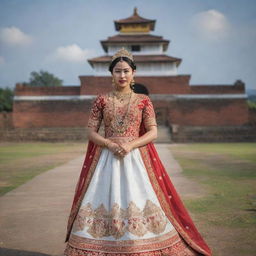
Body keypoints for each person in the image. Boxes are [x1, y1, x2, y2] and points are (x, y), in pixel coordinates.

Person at [63, 48, 212, 256]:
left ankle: (141, 246)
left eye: (126, 71)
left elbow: (153, 132)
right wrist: (109, 143)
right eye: (117, 71)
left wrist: (130, 145)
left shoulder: (143, 100)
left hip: (135, 159)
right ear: (111, 74)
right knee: (103, 198)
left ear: (133, 72)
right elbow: (90, 132)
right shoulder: (102, 100)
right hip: (107, 159)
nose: (122, 75)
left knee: (138, 196)